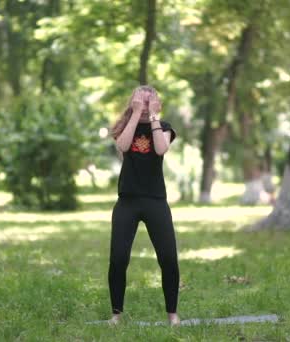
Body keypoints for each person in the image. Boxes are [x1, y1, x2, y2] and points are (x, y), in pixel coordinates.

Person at [107, 85, 180, 326]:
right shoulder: (124, 127)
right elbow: (124, 146)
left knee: (168, 258)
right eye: (142, 100)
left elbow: (160, 148)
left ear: (157, 103)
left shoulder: (165, 127)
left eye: (151, 101)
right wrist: (136, 114)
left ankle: (172, 314)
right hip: (127, 201)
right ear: (133, 101)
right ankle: (116, 314)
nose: (146, 104)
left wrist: (154, 118)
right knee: (118, 259)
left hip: (155, 201)